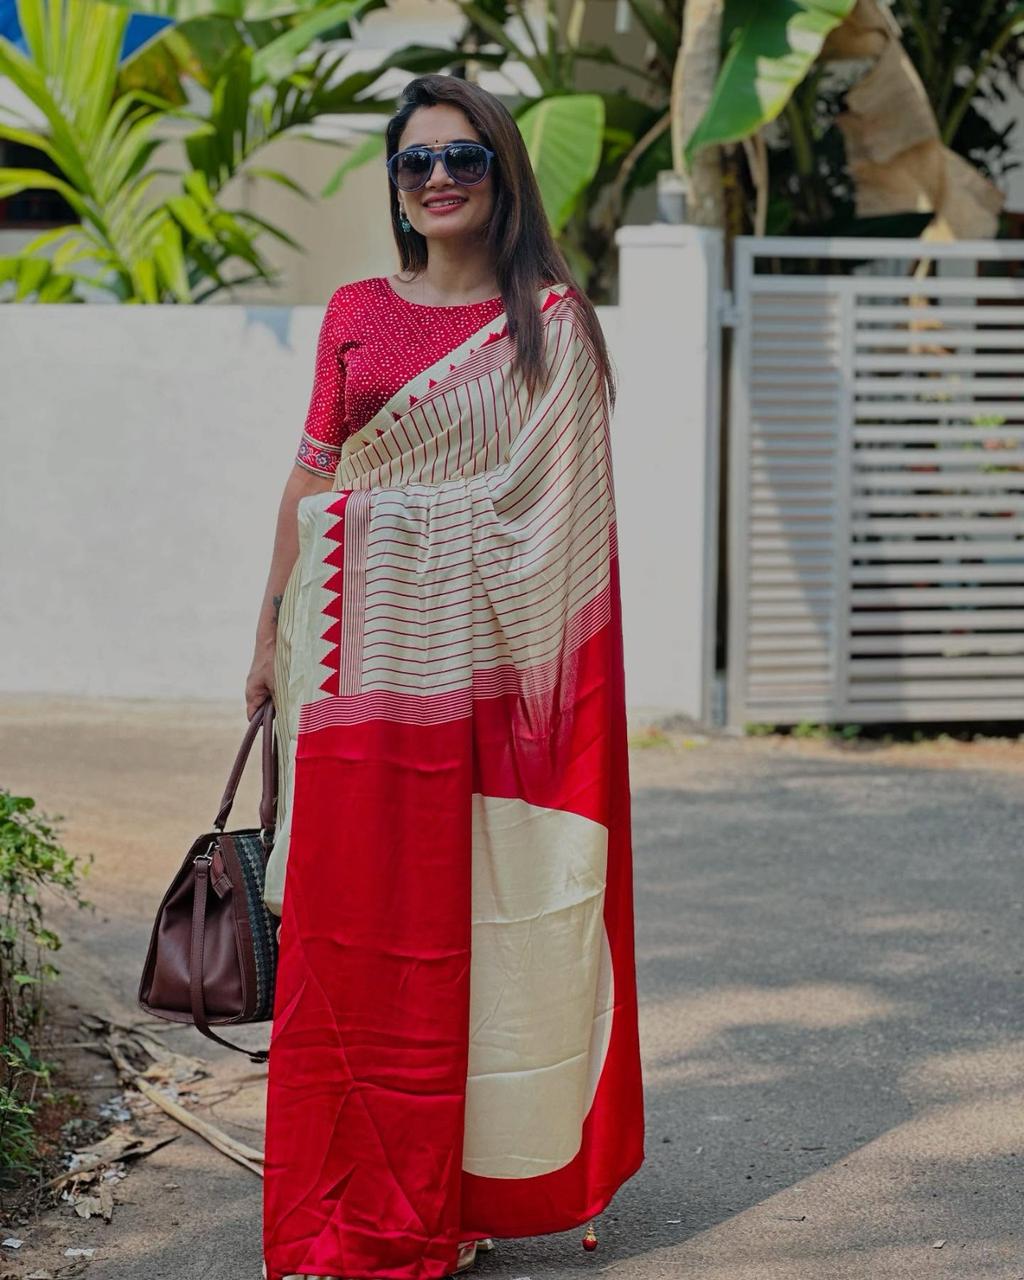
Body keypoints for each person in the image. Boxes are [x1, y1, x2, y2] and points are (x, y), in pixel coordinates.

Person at [250, 72, 644, 1280]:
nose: (435, 181)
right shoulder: (358, 309)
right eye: (415, 162)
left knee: (466, 934)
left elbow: (554, 519)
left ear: (501, 173)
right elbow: (314, 476)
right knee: (346, 940)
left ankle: (453, 1190)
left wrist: (388, 522)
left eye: (461, 159)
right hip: (344, 668)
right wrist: (263, 633)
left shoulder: (552, 323)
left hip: (481, 686)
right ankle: (341, 1206)